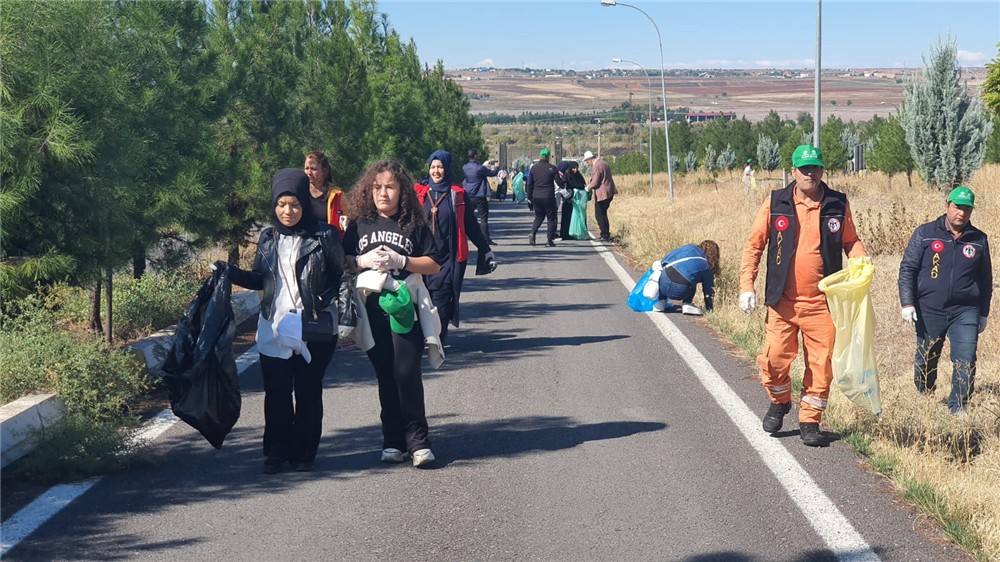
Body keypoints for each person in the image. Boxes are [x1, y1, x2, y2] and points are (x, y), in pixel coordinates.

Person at [738, 145, 867, 447]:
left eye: (816, 168)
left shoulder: (837, 204)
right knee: (773, 361)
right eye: (805, 168)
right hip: (782, 302)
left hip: (822, 304)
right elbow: (754, 246)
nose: (811, 173)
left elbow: (852, 242)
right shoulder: (775, 203)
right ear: (793, 171)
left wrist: (861, 261)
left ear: (822, 170)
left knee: (821, 365)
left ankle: (810, 420)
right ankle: (780, 400)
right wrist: (747, 285)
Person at [225, 169, 345, 474]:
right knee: (277, 393)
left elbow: (341, 276)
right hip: (273, 326)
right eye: (281, 205)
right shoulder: (268, 237)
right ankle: (276, 452)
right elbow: (259, 279)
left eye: (294, 204)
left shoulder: (324, 235)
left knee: (307, 391)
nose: (287, 211)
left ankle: (304, 453)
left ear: (304, 202)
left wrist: (332, 311)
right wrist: (230, 273)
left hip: (312, 327)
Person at [342, 159, 448, 468]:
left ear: (402, 190)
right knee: (385, 374)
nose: (383, 193)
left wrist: (402, 261)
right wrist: (361, 261)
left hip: (404, 308)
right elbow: (342, 259)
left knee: (406, 372)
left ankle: (418, 441)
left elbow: (435, 262)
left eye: (390, 187)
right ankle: (392, 440)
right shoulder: (360, 224)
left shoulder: (414, 223)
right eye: (377, 187)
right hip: (372, 309)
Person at [898, 185, 992, 415]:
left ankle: (958, 407)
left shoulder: (979, 239)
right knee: (927, 355)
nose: (961, 213)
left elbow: (986, 279)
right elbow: (908, 269)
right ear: (947, 205)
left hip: (965, 310)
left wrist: (983, 313)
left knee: (966, 358)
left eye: (967, 209)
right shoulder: (926, 233)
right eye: (957, 207)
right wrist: (907, 303)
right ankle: (925, 393)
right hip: (929, 307)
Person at [415, 150, 496, 345]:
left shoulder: (457, 194)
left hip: (448, 258)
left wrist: (485, 249)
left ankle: (438, 340)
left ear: (447, 169)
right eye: (433, 167)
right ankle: (424, 336)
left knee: (442, 301)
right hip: (421, 258)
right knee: (422, 299)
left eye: (440, 167)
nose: (436, 171)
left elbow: (471, 225)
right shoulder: (419, 194)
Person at [649, 241, 719, 315]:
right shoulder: (706, 265)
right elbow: (708, 291)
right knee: (692, 277)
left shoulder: (689, 247)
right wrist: (709, 309)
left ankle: (660, 302)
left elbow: (664, 260)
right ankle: (687, 303)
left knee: (669, 273)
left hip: (663, 285)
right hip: (681, 290)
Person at [303, 151, 347, 237]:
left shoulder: (337, 195)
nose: (309, 173)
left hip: (329, 244)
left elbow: (346, 223)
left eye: (313, 169)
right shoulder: (300, 192)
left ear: (324, 171)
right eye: (306, 168)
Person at [462, 149, 500, 244]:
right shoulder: (480, 168)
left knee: (467, 217)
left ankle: (464, 237)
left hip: (468, 195)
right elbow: (492, 173)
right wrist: (496, 167)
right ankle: (486, 239)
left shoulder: (464, 167)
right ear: (475, 156)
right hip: (479, 195)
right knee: (483, 218)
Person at [526, 148, 562, 246]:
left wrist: (529, 197)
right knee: (551, 218)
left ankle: (532, 233)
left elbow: (529, 184)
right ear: (548, 157)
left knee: (539, 217)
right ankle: (549, 241)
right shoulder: (553, 168)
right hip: (548, 196)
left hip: (536, 196)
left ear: (540, 157)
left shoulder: (533, 168)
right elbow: (559, 183)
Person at [583, 150, 617, 242]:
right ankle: (606, 234)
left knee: (599, 215)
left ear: (590, 159)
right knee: (603, 214)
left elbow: (595, 182)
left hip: (603, 193)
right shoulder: (603, 163)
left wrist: (587, 188)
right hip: (609, 192)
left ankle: (604, 235)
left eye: (587, 161)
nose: (587, 163)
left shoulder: (597, 166)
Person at [557, 160, 585, 241]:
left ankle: (576, 232)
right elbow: (566, 187)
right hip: (568, 200)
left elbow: (582, 184)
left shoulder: (578, 175)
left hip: (577, 201)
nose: (575, 170)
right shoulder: (567, 176)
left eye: (576, 168)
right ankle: (565, 234)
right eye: (573, 168)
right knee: (566, 217)